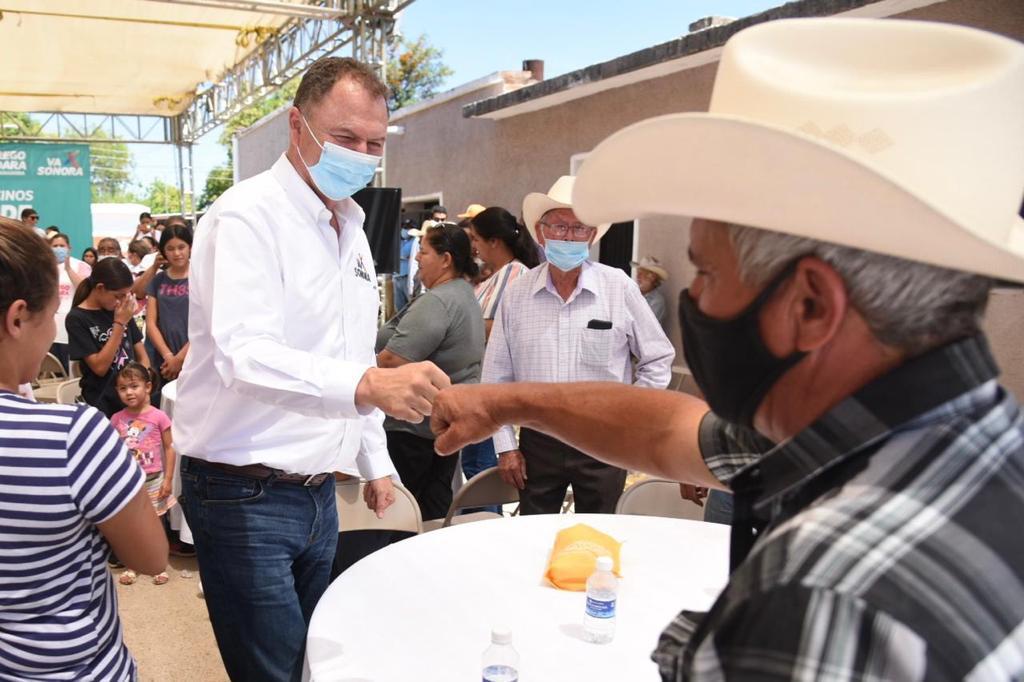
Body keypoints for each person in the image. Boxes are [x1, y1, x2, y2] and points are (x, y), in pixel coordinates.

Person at [431, 18, 1024, 680]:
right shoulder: (932, 436)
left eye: (707, 275)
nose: (697, 305)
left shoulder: (815, 598)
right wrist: (505, 403)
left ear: (810, 307)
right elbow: (668, 432)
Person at [172, 56, 449, 681]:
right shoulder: (248, 216)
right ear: (298, 126)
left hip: (320, 490)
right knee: (277, 672)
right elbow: (247, 354)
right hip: (242, 490)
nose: (360, 154)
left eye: (374, 144)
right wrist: (370, 385)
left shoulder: (350, 225)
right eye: (346, 137)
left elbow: (348, 354)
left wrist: (373, 463)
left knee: (312, 659)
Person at [0, 217, 167, 680]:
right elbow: (151, 557)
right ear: (18, 318)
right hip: (68, 666)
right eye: (49, 314)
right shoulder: (72, 436)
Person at [482, 176, 674, 514]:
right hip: (537, 441)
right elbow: (495, 376)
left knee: (599, 535)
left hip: (604, 439)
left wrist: (630, 416)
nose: (567, 236)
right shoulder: (518, 294)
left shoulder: (618, 287)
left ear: (593, 236)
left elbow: (657, 358)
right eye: (557, 226)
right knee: (533, 536)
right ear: (541, 233)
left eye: (578, 228)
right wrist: (505, 447)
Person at [376, 223, 485, 520]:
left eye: (423, 252)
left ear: (446, 259)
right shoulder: (464, 294)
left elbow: (392, 360)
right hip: (440, 424)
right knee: (432, 511)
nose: (416, 259)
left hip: (413, 429)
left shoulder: (439, 300)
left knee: (400, 515)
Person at [457, 206, 539, 490]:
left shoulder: (517, 275)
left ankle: (484, 522)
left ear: (494, 241)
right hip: (476, 384)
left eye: (477, 239)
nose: (474, 247)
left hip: (490, 388)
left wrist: (461, 328)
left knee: (481, 468)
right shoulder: (496, 276)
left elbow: (506, 329)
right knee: (474, 464)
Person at [110, 362, 176, 586]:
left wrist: (168, 479)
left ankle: (159, 564)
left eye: (134, 386)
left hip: (154, 479)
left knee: (157, 522)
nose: (128, 392)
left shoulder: (159, 417)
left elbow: (170, 448)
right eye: (122, 388)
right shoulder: (117, 419)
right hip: (128, 483)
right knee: (131, 524)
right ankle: (132, 564)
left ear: (147, 387)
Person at [66, 257, 149, 417]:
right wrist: (119, 323)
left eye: (127, 295)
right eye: (119, 295)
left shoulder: (120, 309)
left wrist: (141, 384)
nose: (123, 300)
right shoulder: (77, 318)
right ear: (100, 288)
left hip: (132, 402)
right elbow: (100, 368)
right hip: (102, 404)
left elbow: (142, 356)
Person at [140, 224, 192, 381]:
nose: (176, 253)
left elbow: (206, 324)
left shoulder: (202, 278)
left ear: (190, 247)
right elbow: (151, 323)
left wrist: (180, 358)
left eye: (181, 247)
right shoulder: (158, 280)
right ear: (163, 251)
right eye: (170, 248)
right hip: (161, 356)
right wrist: (168, 356)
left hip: (193, 353)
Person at [48, 231, 91, 371]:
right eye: (55, 246)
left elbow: (85, 289)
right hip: (51, 326)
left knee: (72, 368)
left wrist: (68, 269)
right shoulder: (45, 267)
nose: (59, 249)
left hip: (72, 324)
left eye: (62, 245)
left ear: (69, 248)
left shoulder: (81, 266)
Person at [632, 256, 669, 331]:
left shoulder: (657, 301)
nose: (637, 276)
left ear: (652, 277)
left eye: (641, 273)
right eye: (638, 272)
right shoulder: (634, 294)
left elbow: (644, 326)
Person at [393, 217, 416, 312]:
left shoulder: (415, 241)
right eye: (405, 227)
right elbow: (395, 254)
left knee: (411, 306)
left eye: (409, 227)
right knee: (399, 308)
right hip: (396, 277)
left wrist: (401, 256)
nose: (406, 230)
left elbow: (403, 253)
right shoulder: (399, 240)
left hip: (407, 278)